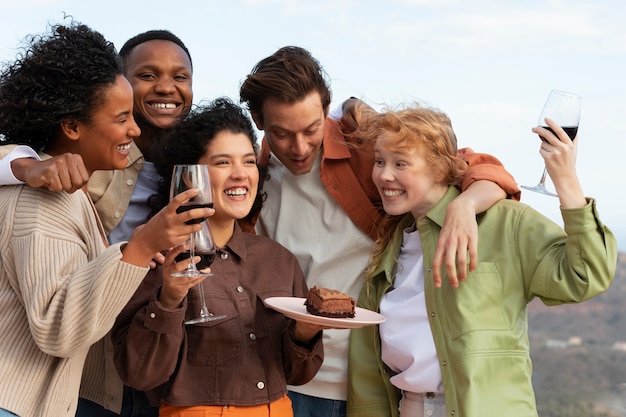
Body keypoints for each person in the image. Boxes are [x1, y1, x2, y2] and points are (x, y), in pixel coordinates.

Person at [238, 46, 521, 417]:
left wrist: (465, 205)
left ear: (326, 111)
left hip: (369, 382)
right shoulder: (250, 179)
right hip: (286, 378)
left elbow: (472, 165)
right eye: (282, 134)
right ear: (259, 122)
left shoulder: (366, 149)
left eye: (311, 130)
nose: (300, 147)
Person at [346, 103, 617, 417]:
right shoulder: (390, 247)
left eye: (400, 163)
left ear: (440, 168)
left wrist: (566, 179)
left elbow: (587, 275)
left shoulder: (503, 222)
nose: (384, 175)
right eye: (379, 161)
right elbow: (368, 368)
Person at [0, 22, 209, 417]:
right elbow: (58, 328)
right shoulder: (51, 187)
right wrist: (145, 244)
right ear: (73, 125)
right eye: (147, 75)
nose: (165, 87)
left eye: (180, 76)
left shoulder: (190, 155)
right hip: (27, 392)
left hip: (110, 367)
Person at [111, 97, 325, 417]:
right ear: (189, 177)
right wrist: (168, 300)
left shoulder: (279, 261)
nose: (240, 174)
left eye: (249, 161)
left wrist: (305, 332)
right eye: (223, 162)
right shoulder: (156, 258)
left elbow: (298, 374)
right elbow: (139, 375)